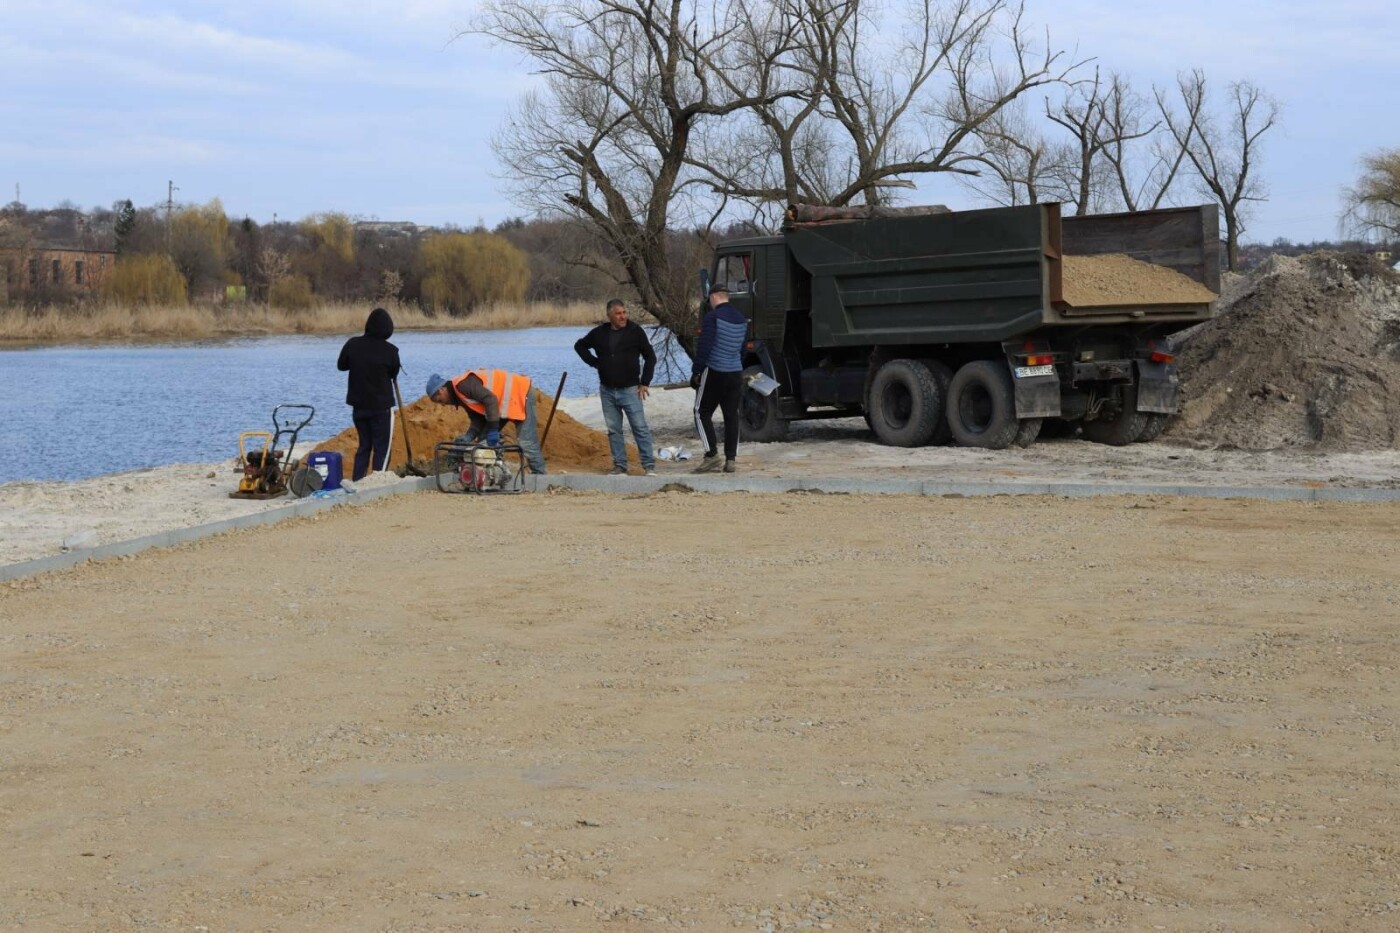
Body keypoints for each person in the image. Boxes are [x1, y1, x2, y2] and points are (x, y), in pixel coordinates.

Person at [574, 298, 658, 476]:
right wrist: (595, 362)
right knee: (614, 430)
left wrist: (645, 382)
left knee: (639, 427)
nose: (623, 316)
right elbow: (579, 346)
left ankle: (649, 465)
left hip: (630, 389)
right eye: (618, 313)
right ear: (609, 315)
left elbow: (650, 357)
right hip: (607, 390)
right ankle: (620, 466)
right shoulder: (599, 333)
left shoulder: (635, 331)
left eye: (624, 313)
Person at [425, 369, 547, 475]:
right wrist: (469, 436)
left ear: (442, 389)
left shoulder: (463, 385)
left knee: (526, 441)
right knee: (483, 440)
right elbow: (477, 420)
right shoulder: (460, 396)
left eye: (439, 399)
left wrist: (493, 430)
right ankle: (492, 472)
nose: (442, 403)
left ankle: (540, 475)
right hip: (503, 403)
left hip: (520, 393)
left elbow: (491, 399)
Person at [336, 306, 401, 480]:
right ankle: (378, 482)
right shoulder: (391, 351)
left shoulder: (352, 344)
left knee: (364, 446)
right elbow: (394, 374)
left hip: (359, 406)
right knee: (382, 448)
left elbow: (341, 365)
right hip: (381, 408)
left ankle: (358, 481)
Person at [691, 284, 748, 474]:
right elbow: (742, 349)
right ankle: (731, 459)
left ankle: (711, 455)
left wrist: (696, 371)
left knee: (701, 411)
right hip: (735, 372)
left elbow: (704, 346)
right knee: (732, 415)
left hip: (715, 370)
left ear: (714, 297)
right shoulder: (741, 318)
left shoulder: (712, 317)